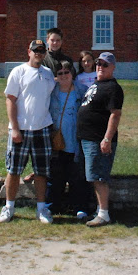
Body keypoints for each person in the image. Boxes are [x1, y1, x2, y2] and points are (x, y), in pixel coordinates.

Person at [0, 39, 56, 225]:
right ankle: (9, 207)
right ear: (28, 51)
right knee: (14, 170)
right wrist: (14, 128)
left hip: (42, 129)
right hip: (21, 130)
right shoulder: (18, 72)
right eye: (35, 50)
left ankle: (41, 209)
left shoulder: (48, 74)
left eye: (42, 51)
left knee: (42, 172)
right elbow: (10, 100)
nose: (38, 53)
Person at [76, 51, 124, 227]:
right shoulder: (97, 84)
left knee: (99, 177)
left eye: (105, 65)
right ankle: (98, 210)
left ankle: (104, 214)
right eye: (98, 63)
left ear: (112, 67)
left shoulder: (113, 88)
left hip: (98, 139)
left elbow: (115, 115)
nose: (100, 67)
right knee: (92, 175)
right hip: (86, 138)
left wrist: (107, 139)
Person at [47, 59, 90, 219]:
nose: (64, 75)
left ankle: (80, 207)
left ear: (72, 73)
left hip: (75, 140)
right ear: (56, 76)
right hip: (57, 141)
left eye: (67, 72)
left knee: (77, 177)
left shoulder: (82, 91)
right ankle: (52, 206)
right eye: (60, 73)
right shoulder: (52, 92)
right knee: (55, 176)